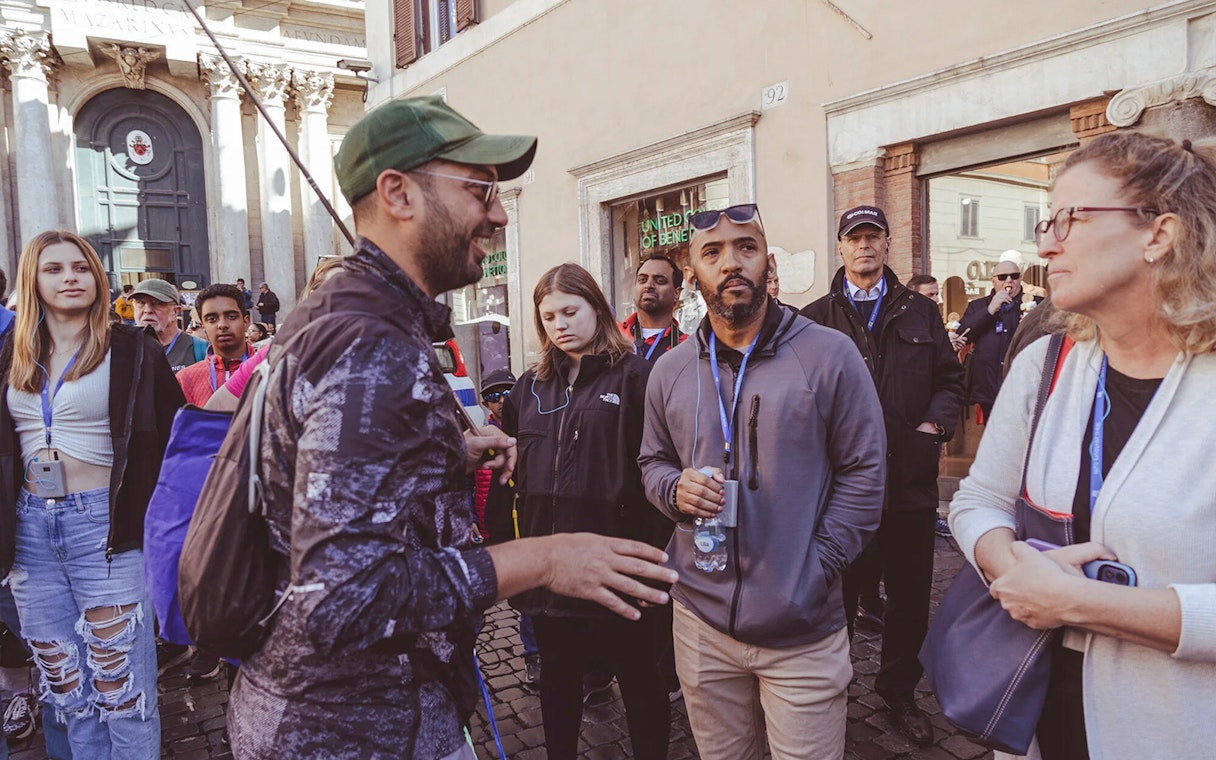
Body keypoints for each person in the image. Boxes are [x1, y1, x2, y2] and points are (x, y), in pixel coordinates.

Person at [225, 94, 677, 760]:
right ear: (399, 194)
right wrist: (544, 558)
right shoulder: (366, 345)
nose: (496, 211)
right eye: (479, 189)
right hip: (354, 728)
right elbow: (346, 598)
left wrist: (447, 450)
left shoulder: (353, 319)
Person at [950, 131, 1216, 760]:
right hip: (1040, 713)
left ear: (1159, 235)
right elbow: (977, 499)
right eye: (1048, 221)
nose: (1046, 243)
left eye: (1070, 218)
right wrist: (1011, 566)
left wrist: (1080, 602)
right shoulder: (1046, 364)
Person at [640, 203, 886, 760]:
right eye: (712, 253)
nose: (731, 263)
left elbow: (865, 472)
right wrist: (671, 490)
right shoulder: (669, 371)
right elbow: (650, 461)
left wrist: (818, 564)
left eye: (745, 248)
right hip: (700, 624)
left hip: (801, 628)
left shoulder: (829, 354)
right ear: (692, 275)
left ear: (766, 263)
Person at [0, 230, 185, 758]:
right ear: (32, 279)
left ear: (98, 278)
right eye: (54, 269)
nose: (70, 278)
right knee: (65, 691)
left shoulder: (131, 347)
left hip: (106, 527)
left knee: (120, 689)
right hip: (30, 528)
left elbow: (175, 436)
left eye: (80, 267)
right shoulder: (12, 353)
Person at [801, 205, 964, 747]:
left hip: (907, 488)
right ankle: (827, 691)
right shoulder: (814, 318)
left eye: (874, 237)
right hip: (840, 493)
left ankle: (898, 691)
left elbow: (950, 380)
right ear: (841, 248)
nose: (865, 246)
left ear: (887, 245)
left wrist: (931, 428)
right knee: (834, 597)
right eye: (855, 238)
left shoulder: (919, 312)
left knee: (910, 597)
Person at [502, 263, 673, 759]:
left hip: (622, 565)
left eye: (570, 311)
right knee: (558, 684)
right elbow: (512, 466)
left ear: (597, 309)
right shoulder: (529, 386)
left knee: (641, 682)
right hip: (551, 567)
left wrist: (651, 556)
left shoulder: (641, 377)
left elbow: (658, 468)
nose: (560, 323)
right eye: (549, 315)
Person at [957, 259, 1043, 422]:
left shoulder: (1037, 304)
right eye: (1003, 277)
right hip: (989, 389)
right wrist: (989, 311)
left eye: (1014, 276)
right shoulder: (978, 306)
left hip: (1026, 387)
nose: (1009, 280)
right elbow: (963, 334)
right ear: (994, 281)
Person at [176, 283, 252, 407]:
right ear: (203, 326)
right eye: (212, 319)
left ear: (246, 322)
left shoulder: (269, 370)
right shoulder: (185, 380)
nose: (222, 325)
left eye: (231, 316)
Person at [129, 279, 207, 373]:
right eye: (140, 303)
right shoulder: (124, 349)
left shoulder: (200, 349)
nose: (147, 310)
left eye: (157, 303)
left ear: (175, 311)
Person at [620, 254, 684, 362]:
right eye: (642, 280)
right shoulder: (613, 337)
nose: (648, 285)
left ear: (676, 293)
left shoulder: (687, 347)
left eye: (660, 281)